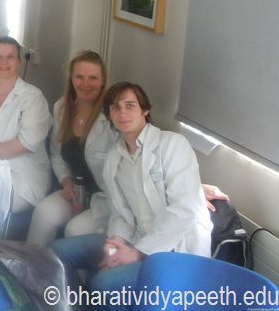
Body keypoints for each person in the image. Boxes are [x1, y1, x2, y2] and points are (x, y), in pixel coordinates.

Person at [50, 82, 212, 309]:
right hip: (134, 240)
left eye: (130, 105)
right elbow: (120, 211)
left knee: (104, 283)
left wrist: (136, 254)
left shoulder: (172, 145)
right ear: (109, 116)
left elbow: (184, 211)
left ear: (145, 110)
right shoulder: (114, 158)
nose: (122, 113)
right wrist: (116, 242)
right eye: (115, 107)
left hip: (174, 250)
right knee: (58, 252)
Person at [27, 50, 115, 246]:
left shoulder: (111, 117)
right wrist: (66, 181)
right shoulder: (62, 108)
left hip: (104, 199)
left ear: (103, 81)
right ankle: (32, 262)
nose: (85, 84)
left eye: (93, 78)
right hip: (75, 191)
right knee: (43, 212)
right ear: (71, 79)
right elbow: (57, 154)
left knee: (75, 230)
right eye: (79, 77)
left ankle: (68, 267)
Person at [0, 36, 51, 218]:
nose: (3, 62)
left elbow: (26, 143)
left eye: (10, 57)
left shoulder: (33, 97)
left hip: (23, 176)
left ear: (19, 62)